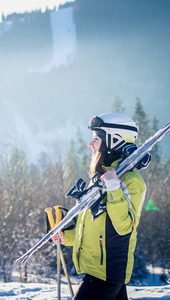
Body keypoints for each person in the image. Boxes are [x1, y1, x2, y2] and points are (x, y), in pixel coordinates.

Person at [53, 113, 147, 300]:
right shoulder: (102, 177)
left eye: (96, 139)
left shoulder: (131, 181)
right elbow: (94, 227)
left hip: (107, 272)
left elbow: (125, 226)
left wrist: (114, 187)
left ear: (114, 141)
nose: (90, 144)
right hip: (99, 271)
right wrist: (66, 237)